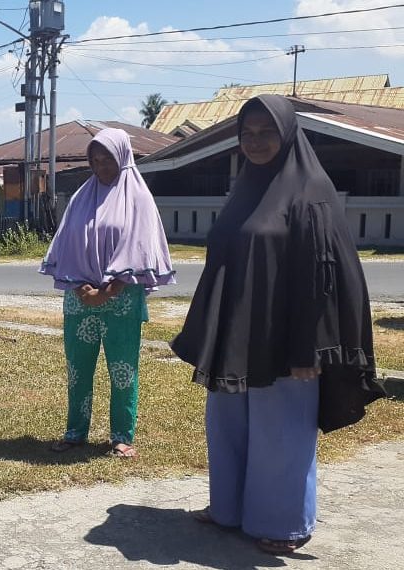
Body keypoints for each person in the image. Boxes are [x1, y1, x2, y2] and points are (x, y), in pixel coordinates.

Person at [170, 95, 383, 555]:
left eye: (266, 132)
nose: (255, 142)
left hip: (288, 340)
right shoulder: (247, 187)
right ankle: (227, 508)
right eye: (247, 134)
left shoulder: (311, 192)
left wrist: (311, 349)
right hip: (238, 334)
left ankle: (283, 523)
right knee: (227, 425)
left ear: (287, 134)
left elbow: (324, 276)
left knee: (281, 432)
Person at [40, 128, 175, 459]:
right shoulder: (82, 197)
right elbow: (67, 243)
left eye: (107, 159)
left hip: (122, 300)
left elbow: (140, 248)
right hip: (79, 297)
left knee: (123, 370)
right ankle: (75, 431)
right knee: (78, 370)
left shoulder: (138, 199)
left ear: (123, 157)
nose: (101, 166)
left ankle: (121, 435)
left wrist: (109, 289)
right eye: (95, 160)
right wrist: (81, 286)